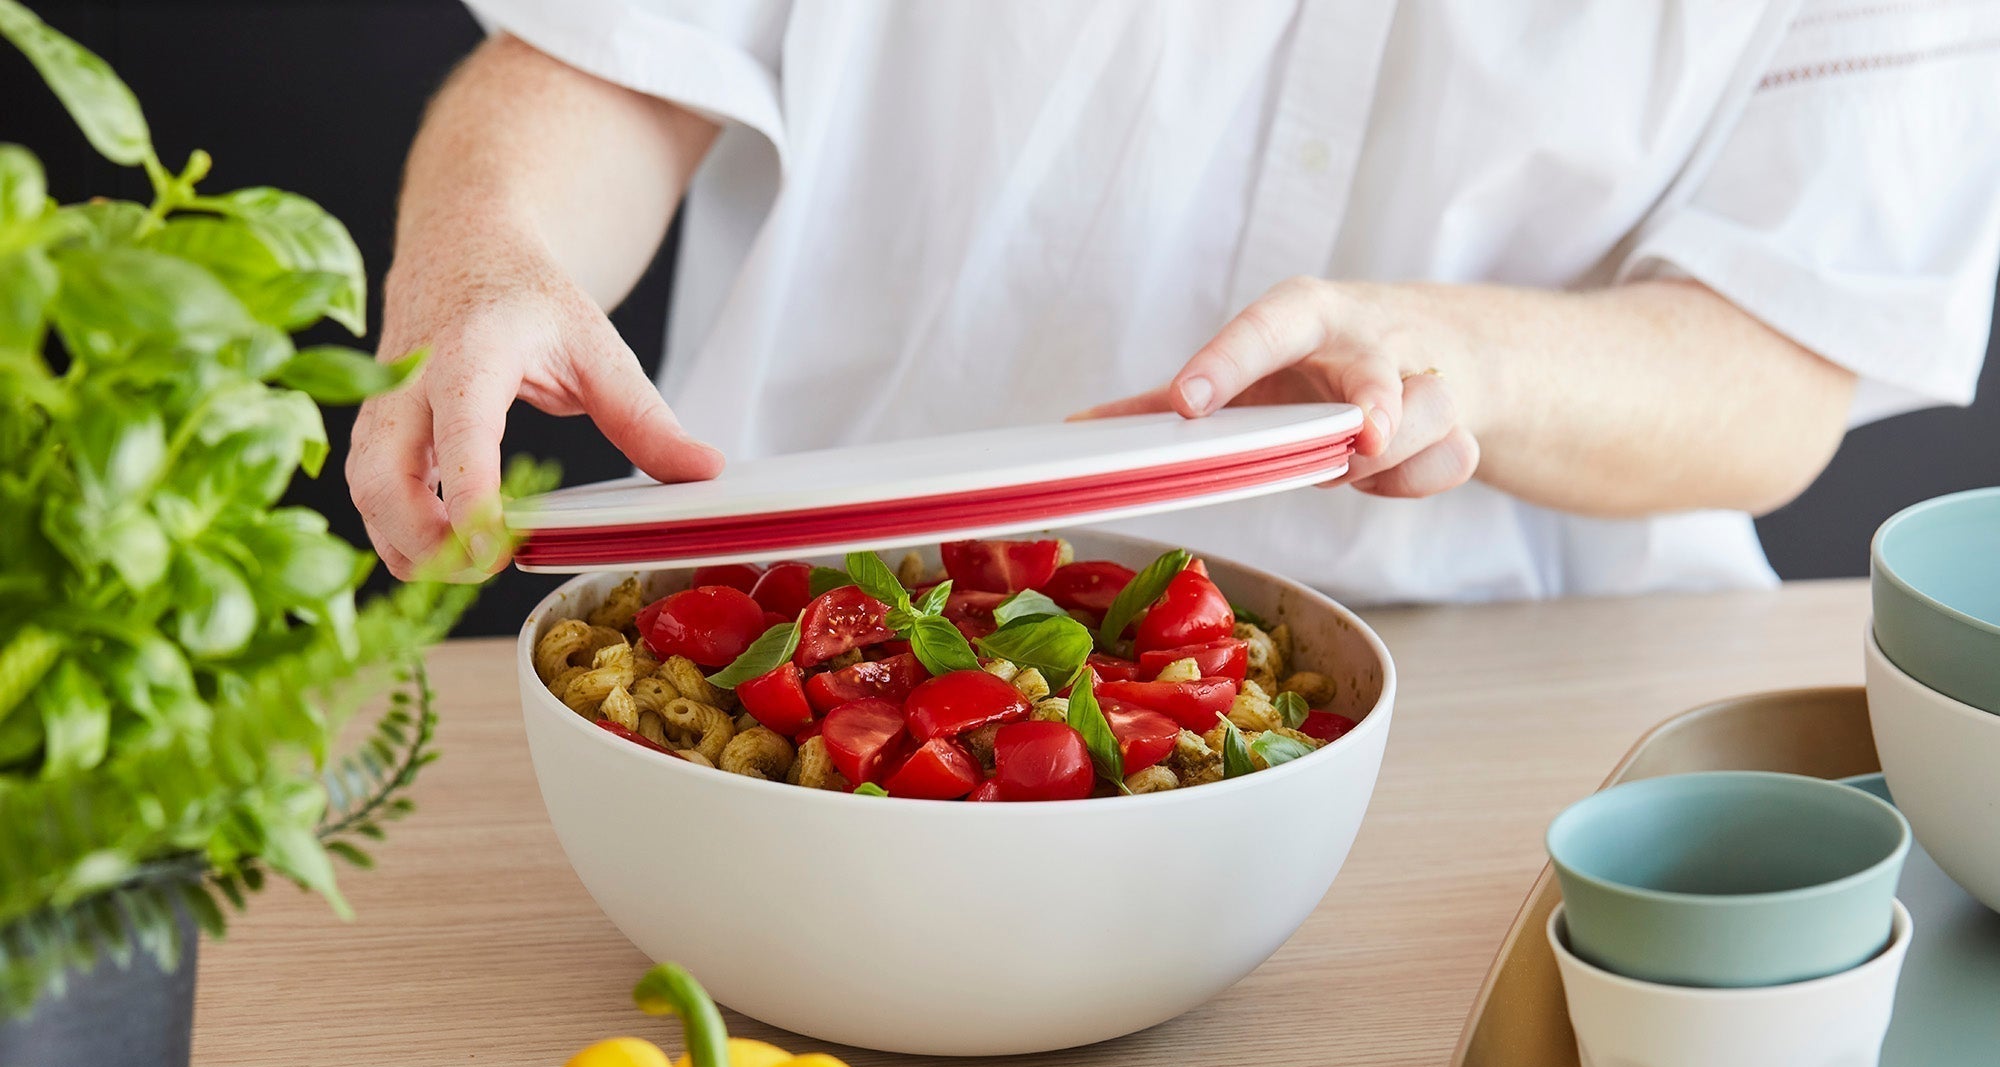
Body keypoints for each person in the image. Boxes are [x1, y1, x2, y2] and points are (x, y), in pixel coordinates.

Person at [350, 1, 2000, 602]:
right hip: (827, 646)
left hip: (1517, 720)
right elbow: (614, 63)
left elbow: (1779, 364)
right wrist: (479, 263)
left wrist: (1465, 359)